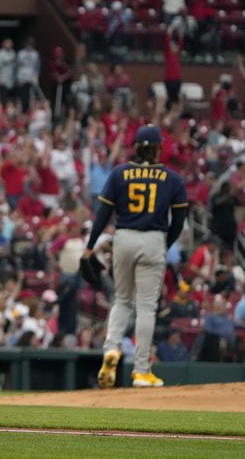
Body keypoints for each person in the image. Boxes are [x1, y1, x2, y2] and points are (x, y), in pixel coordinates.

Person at [84, 125, 188, 388]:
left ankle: (111, 348)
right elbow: (178, 222)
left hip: (124, 237)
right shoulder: (173, 179)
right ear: (158, 148)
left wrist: (90, 246)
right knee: (145, 307)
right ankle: (141, 369)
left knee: (121, 299)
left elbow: (102, 214)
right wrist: (164, 244)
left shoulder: (119, 173)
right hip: (153, 239)